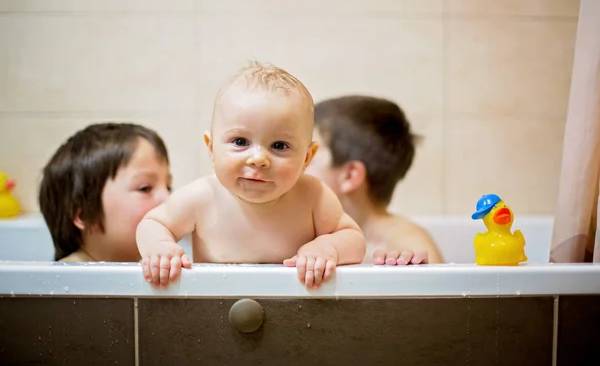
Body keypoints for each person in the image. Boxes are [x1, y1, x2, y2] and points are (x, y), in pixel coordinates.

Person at [136, 61, 366, 290]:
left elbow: (354, 239)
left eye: (279, 145)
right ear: (211, 148)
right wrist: (159, 247)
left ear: (307, 158)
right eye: (240, 142)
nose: (258, 158)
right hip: (216, 307)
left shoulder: (313, 196)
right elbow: (153, 223)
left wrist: (328, 247)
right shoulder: (201, 197)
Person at [307, 95, 443, 265]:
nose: (296, 168)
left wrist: (414, 272)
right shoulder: (314, 230)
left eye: (309, 158)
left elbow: (439, 289)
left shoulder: (407, 244)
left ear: (349, 176)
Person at [39, 123, 172, 262]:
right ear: (86, 215)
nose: (168, 198)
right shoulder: (69, 276)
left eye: (169, 187)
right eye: (145, 188)